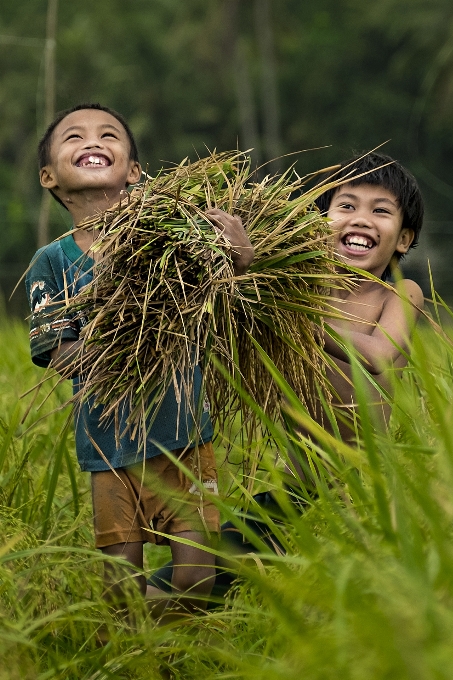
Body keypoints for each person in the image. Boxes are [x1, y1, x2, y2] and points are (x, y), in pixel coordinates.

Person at [149, 151, 425, 597]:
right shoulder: (296, 286)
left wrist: (279, 302)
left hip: (364, 488)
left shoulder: (399, 295)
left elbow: (375, 354)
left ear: (403, 240)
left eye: (381, 211)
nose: (361, 219)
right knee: (180, 588)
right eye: (347, 206)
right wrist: (242, 267)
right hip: (295, 487)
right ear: (319, 225)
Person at [26, 103, 254, 620]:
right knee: (121, 590)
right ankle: (134, 659)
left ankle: (168, 656)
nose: (93, 140)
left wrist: (239, 259)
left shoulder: (172, 241)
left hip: (185, 440)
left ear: (133, 170)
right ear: (48, 176)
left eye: (109, 134)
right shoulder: (52, 262)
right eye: (74, 137)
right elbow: (59, 352)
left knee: (196, 579)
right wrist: (134, 337)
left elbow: (225, 314)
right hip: (107, 450)